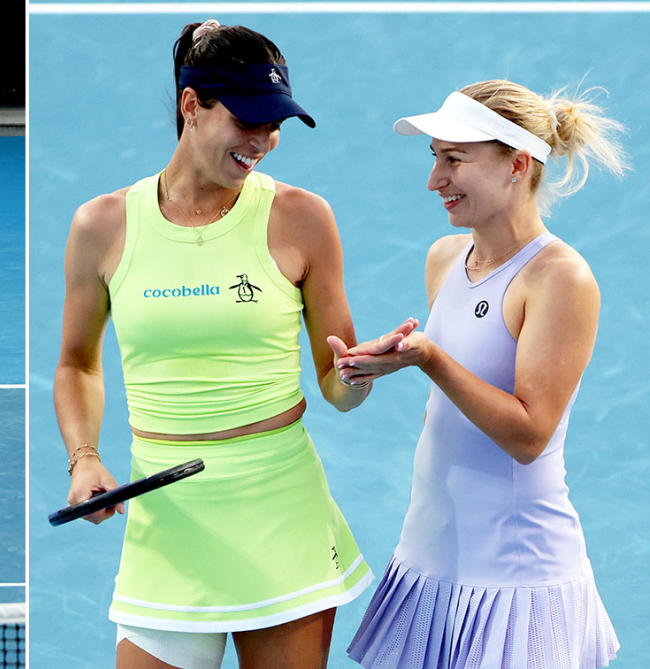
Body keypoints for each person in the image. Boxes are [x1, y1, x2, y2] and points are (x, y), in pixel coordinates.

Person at [53, 19, 413, 669]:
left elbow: (337, 385)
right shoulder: (102, 226)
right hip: (167, 522)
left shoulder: (302, 218)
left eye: (275, 123)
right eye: (248, 119)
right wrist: (83, 457)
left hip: (280, 516)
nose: (265, 140)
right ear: (192, 105)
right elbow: (77, 363)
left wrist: (360, 372)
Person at [342, 80, 624, 668]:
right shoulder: (445, 258)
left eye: (455, 159)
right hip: (431, 563)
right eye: (434, 158)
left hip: (516, 575)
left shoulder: (559, 279)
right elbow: (448, 412)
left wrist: (431, 359)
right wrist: (367, 370)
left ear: (517, 165)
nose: (434, 179)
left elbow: (529, 435)